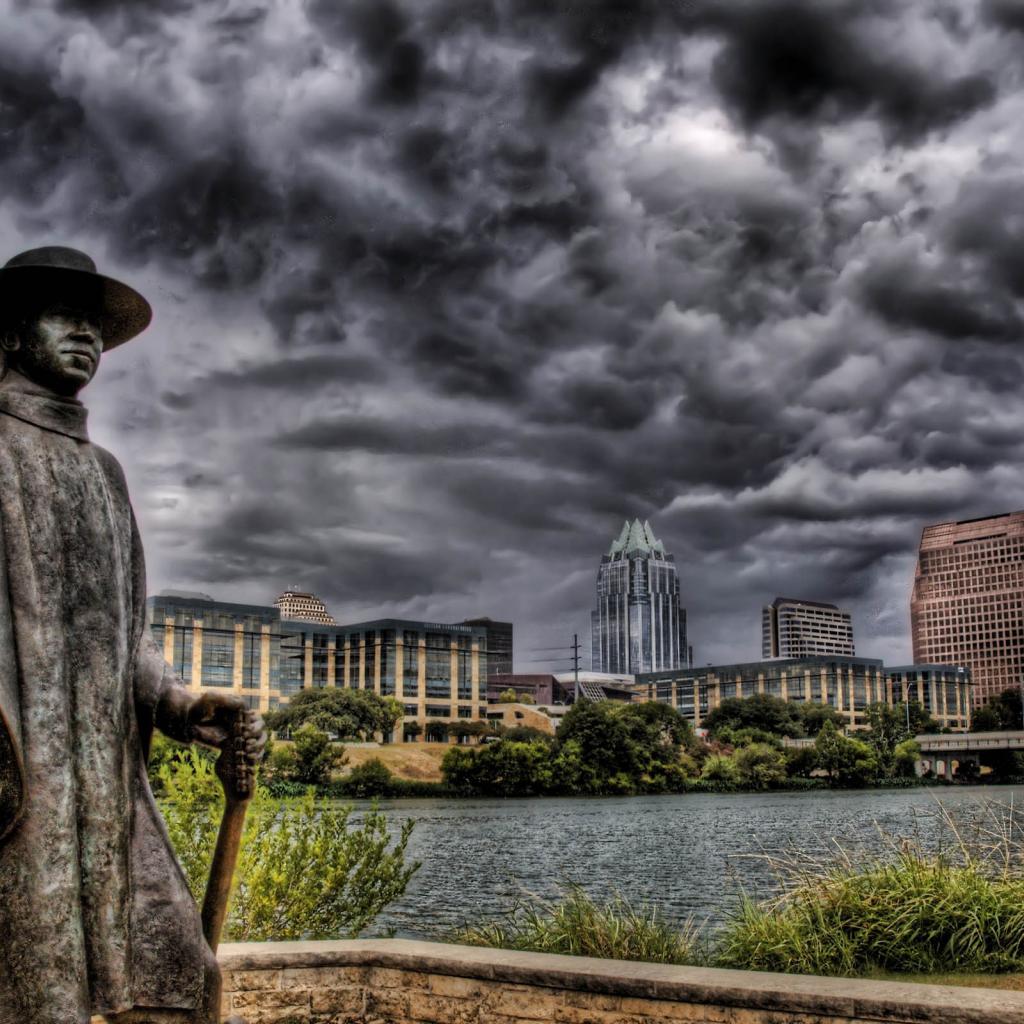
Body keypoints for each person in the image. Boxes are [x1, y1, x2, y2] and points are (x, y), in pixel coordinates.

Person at [0, 246, 265, 1024]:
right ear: (11, 335)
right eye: (65, 317)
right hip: (22, 787)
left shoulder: (104, 473)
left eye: (95, 324)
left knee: (177, 972)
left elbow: (127, 636)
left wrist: (182, 706)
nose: (86, 335)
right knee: (37, 996)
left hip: (110, 790)